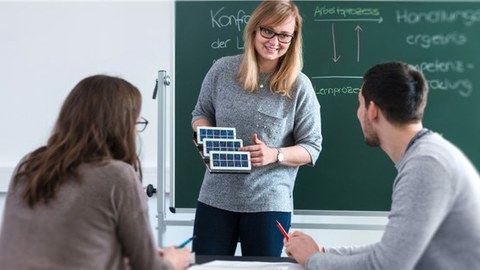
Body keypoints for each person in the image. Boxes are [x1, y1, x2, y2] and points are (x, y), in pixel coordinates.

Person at [284, 62, 480, 269]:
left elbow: (385, 265)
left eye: (360, 104)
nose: (358, 113)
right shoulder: (429, 154)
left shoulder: (425, 166)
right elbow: (390, 250)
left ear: (372, 111)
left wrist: (313, 260)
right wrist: (323, 253)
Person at [0, 75, 191, 270]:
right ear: (120, 126)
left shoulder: (28, 164)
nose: (135, 132)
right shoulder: (117, 176)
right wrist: (173, 262)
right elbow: (149, 267)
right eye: (135, 123)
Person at [191, 0, 322, 257]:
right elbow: (201, 113)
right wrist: (205, 138)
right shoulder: (222, 70)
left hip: (268, 203)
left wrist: (276, 154)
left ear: (293, 39)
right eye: (268, 31)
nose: (275, 41)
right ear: (254, 30)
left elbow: (312, 147)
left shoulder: (299, 86)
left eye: (284, 35)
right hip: (215, 198)